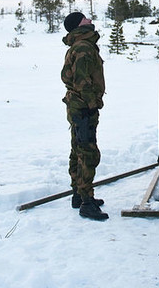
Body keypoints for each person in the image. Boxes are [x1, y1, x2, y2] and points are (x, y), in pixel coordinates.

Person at [61, 11, 108, 221]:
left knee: (78, 150)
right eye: (85, 18)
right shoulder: (82, 47)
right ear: (80, 25)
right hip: (82, 108)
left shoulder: (82, 45)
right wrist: (91, 104)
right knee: (88, 153)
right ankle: (86, 202)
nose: (90, 19)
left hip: (77, 106)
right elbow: (81, 80)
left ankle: (78, 195)